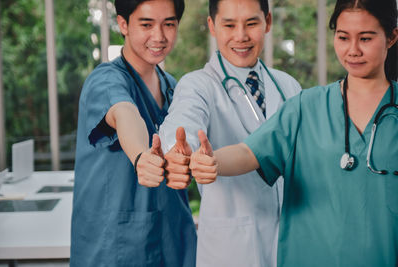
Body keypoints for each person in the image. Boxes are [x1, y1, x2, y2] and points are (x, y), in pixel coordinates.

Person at [190, 0, 398, 265]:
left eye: (366, 38)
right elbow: (248, 152)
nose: (353, 50)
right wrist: (213, 161)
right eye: (343, 37)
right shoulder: (305, 106)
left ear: (391, 37)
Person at [159, 0, 301, 266]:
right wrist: (179, 152)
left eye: (251, 23)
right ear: (212, 26)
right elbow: (183, 120)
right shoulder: (199, 85)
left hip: (288, 245)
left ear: (267, 22)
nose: (241, 36)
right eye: (229, 24)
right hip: (231, 251)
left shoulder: (287, 86)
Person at [70, 0, 196, 266]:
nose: (159, 36)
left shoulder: (172, 87)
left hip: (173, 242)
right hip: (117, 249)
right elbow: (126, 115)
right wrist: (141, 156)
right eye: (147, 24)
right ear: (123, 24)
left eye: (169, 24)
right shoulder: (105, 80)